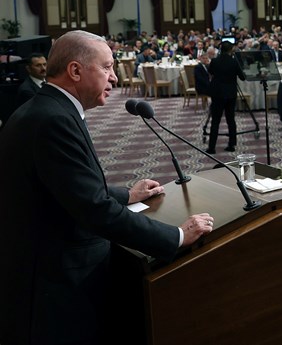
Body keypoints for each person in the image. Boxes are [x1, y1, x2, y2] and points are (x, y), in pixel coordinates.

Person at [0, 30, 213, 345]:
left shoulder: (45, 109)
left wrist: (128, 194)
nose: (114, 77)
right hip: (56, 284)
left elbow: (66, 186)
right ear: (75, 71)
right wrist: (177, 236)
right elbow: (95, 210)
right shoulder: (53, 120)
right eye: (107, 67)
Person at [207, 40, 246, 153]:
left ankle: (212, 147)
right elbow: (242, 77)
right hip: (230, 93)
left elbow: (210, 72)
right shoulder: (234, 62)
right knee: (230, 119)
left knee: (215, 120)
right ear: (230, 50)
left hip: (217, 93)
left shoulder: (215, 61)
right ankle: (232, 144)